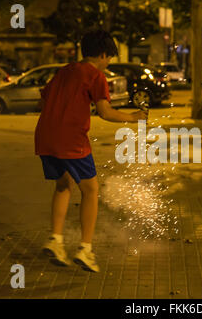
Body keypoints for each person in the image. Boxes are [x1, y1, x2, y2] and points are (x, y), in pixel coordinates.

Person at [35, 30, 147, 272]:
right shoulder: (95, 76)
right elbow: (105, 112)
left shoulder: (64, 70)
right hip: (71, 139)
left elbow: (42, 99)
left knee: (64, 185)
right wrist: (134, 117)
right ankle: (85, 249)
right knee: (91, 190)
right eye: (109, 59)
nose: (108, 64)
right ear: (103, 55)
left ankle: (55, 240)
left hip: (45, 136)